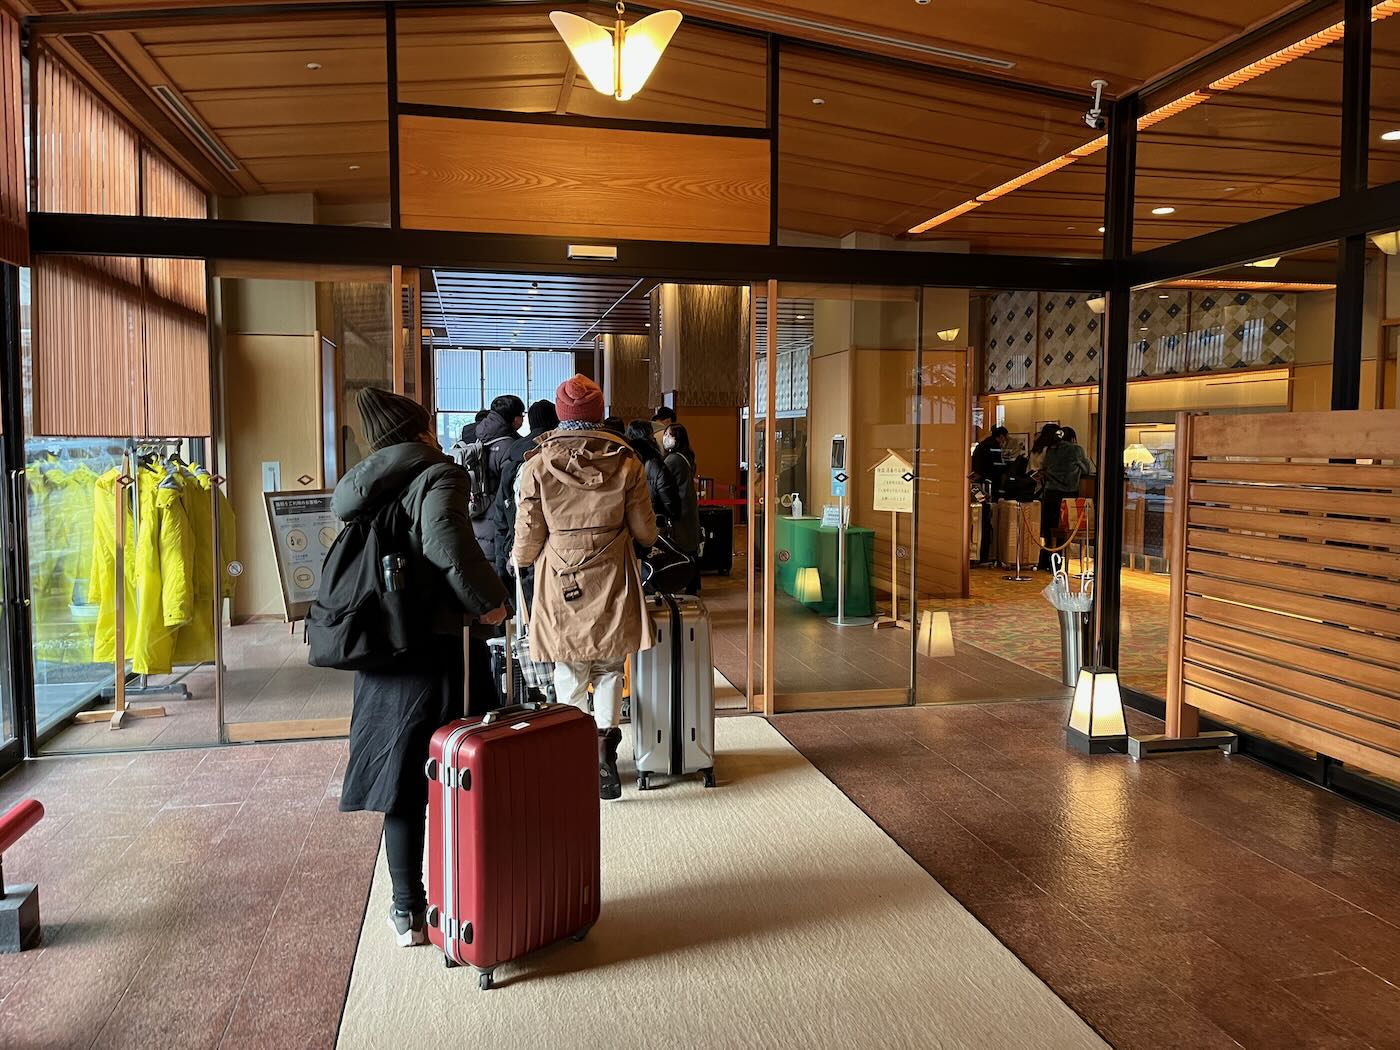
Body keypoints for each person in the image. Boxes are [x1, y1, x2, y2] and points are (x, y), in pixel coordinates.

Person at [335, 387, 509, 949]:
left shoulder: (361, 487)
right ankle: (465, 898)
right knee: (464, 768)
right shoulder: (438, 475)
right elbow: (449, 545)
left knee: (402, 783)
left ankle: (406, 910)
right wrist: (490, 602)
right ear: (419, 430)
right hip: (440, 649)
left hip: (384, 645)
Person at [513, 375, 658, 801]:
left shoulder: (536, 465)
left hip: (561, 578)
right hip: (612, 574)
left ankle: (573, 753)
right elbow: (644, 530)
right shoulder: (627, 462)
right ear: (598, 411)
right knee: (611, 668)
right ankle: (604, 755)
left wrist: (521, 560)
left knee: (569, 667)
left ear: (561, 413)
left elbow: (528, 533)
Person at [491, 399, 559, 600]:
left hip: (518, 549)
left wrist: (505, 558)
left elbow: (501, 516)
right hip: (556, 552)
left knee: (528, 616)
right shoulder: (560, 454)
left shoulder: (514, 453)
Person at [468, 395, 525, 569]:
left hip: (476, 518)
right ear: (514, 418)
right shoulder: (511, 446)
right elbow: (510, 490)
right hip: (499, 525)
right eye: (521, 414)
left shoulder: (478, 438)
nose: (522, 419)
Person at [1037, 427, 1094, 571]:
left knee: (1050, 529)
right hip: (1068, 494)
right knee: (1064, 531)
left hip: (1050, 493)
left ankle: (1045, 562)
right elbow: (1086, 469)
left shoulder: (1050, 450)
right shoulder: (1076, 450)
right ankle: (1057, 564)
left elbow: (1044, 468)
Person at [660, 423, 701, 594]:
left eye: (669, 435)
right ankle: (694, 584)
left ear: (677, 439)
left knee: (680, 547)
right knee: (691, 548)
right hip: (689, 508)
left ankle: (685, 583)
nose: (665, 438)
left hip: (679, 510)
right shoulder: (687, 457)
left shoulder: (672, 460)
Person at [625, 420, 683, 527]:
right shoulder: (655, 463)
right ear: (648, 437)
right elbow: (670, 499)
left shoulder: (623, 460)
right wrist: (673, 515)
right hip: (652, 523)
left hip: (628, 524)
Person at [970, 426, 1008, 563]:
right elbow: (998, 467)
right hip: (989, 485)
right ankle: (986, 553)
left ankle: (978, 553)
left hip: (978, 485)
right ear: (1002, 437)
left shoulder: (982, 445)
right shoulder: (994, 447)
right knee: (987, 516)